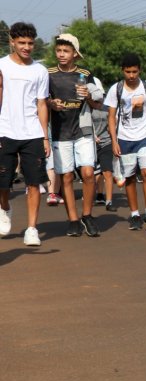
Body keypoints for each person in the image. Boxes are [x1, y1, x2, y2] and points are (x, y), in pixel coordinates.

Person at [47, 33, 103, 237]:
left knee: (88, 173)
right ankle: (73, 220)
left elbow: (98, 103)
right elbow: (41, 101)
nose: (62, 54)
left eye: (66, 51)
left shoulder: (85, 74)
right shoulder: (49, 74)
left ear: (74, 54)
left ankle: (87, 215)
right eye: (59, 50)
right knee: (67, 176)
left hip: (83, 130)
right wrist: (51, 104)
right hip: (60, 132)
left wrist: (88, 95)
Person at [0, 22, 50, 246]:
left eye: (30, 43)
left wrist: (45, 136)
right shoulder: (1, 66)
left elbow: (41, 104)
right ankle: (5, 208)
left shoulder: (39, 70)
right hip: (4, 131)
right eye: (22, 43)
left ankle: (32, 228)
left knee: (34, 182)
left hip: (32, 133)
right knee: (3, 183)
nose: (27, 47)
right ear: (12, 41)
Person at [104, 53, 146, 233]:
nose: (131, 75)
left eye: (135, 72)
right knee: (129, 177)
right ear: (122, 71)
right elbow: (111, 117)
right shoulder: (116, 89)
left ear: (140, 70)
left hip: (144, 137)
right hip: (124, 138)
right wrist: (114, 141)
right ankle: (135, 214)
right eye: (128, 72)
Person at [91, 76, 119, 212]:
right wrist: (92, 135)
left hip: (106, 142)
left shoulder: (108, 107)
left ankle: (109, 201)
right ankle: (96, 195)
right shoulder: (86, 108)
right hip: (90, 143)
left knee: (107, 171)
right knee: (92, 174)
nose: (99, 99)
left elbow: (113, 122)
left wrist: (114, 137)